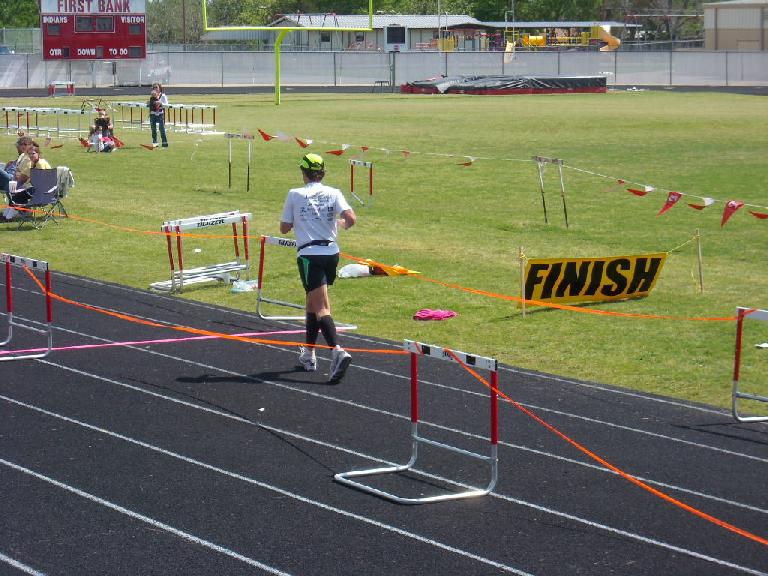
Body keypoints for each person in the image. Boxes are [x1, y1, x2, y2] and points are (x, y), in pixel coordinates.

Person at [280, 153, 357, 383]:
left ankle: (337, 350)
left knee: (321, 307)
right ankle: (309, 354)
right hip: (331, 253)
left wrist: (300, 219)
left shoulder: (294, 194)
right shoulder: (334, 193)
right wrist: (339, 223)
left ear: (303, 172)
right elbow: (351, 218)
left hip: (309, 255)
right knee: (312, 304)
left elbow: (284, 228)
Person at [149, 82, 169, 148]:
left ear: (160, 88)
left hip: (160, 114)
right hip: (152, 114)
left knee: (162, 129)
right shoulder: (152, 96)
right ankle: (155, 143)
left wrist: (160, 103)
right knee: (153, 130)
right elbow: (150, 104)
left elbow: (167, 105)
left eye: (156, 87)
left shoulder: (163, 96)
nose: (155, 89)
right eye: (154, 88)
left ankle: (165, 144)